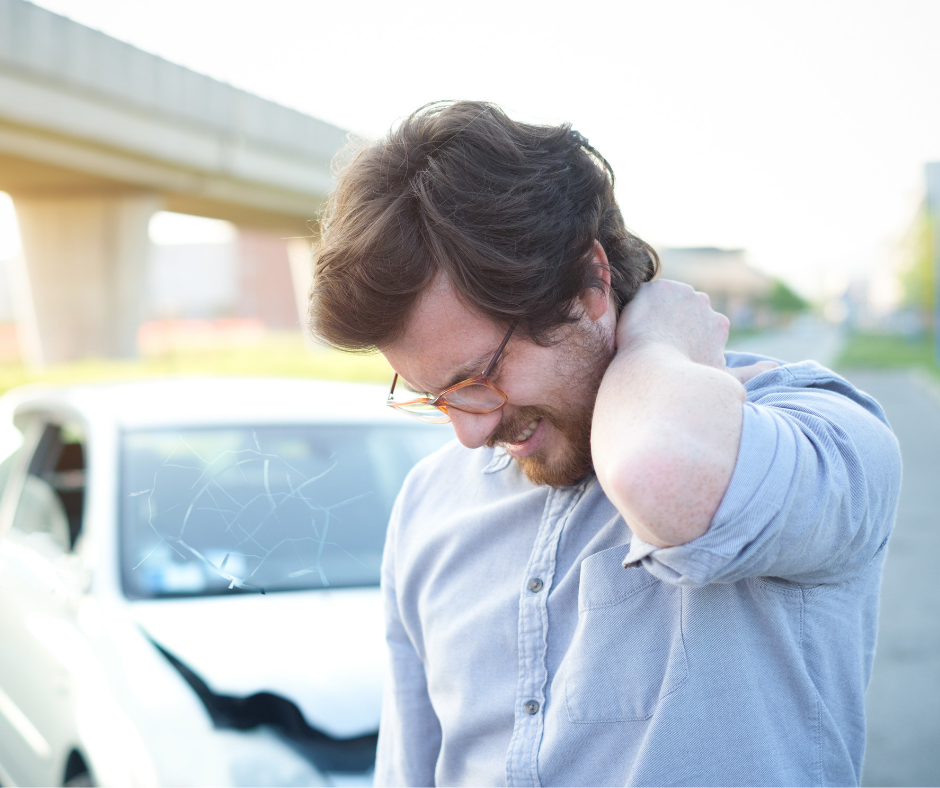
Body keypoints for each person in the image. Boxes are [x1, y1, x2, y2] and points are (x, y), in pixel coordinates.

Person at [309, 101, 901, 787]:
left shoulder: (818, 429)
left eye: (480, 377)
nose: (469, 434)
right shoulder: (428, 501)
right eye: (435, 395)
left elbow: (668, 478)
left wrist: (655, 343)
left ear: (590, 283)